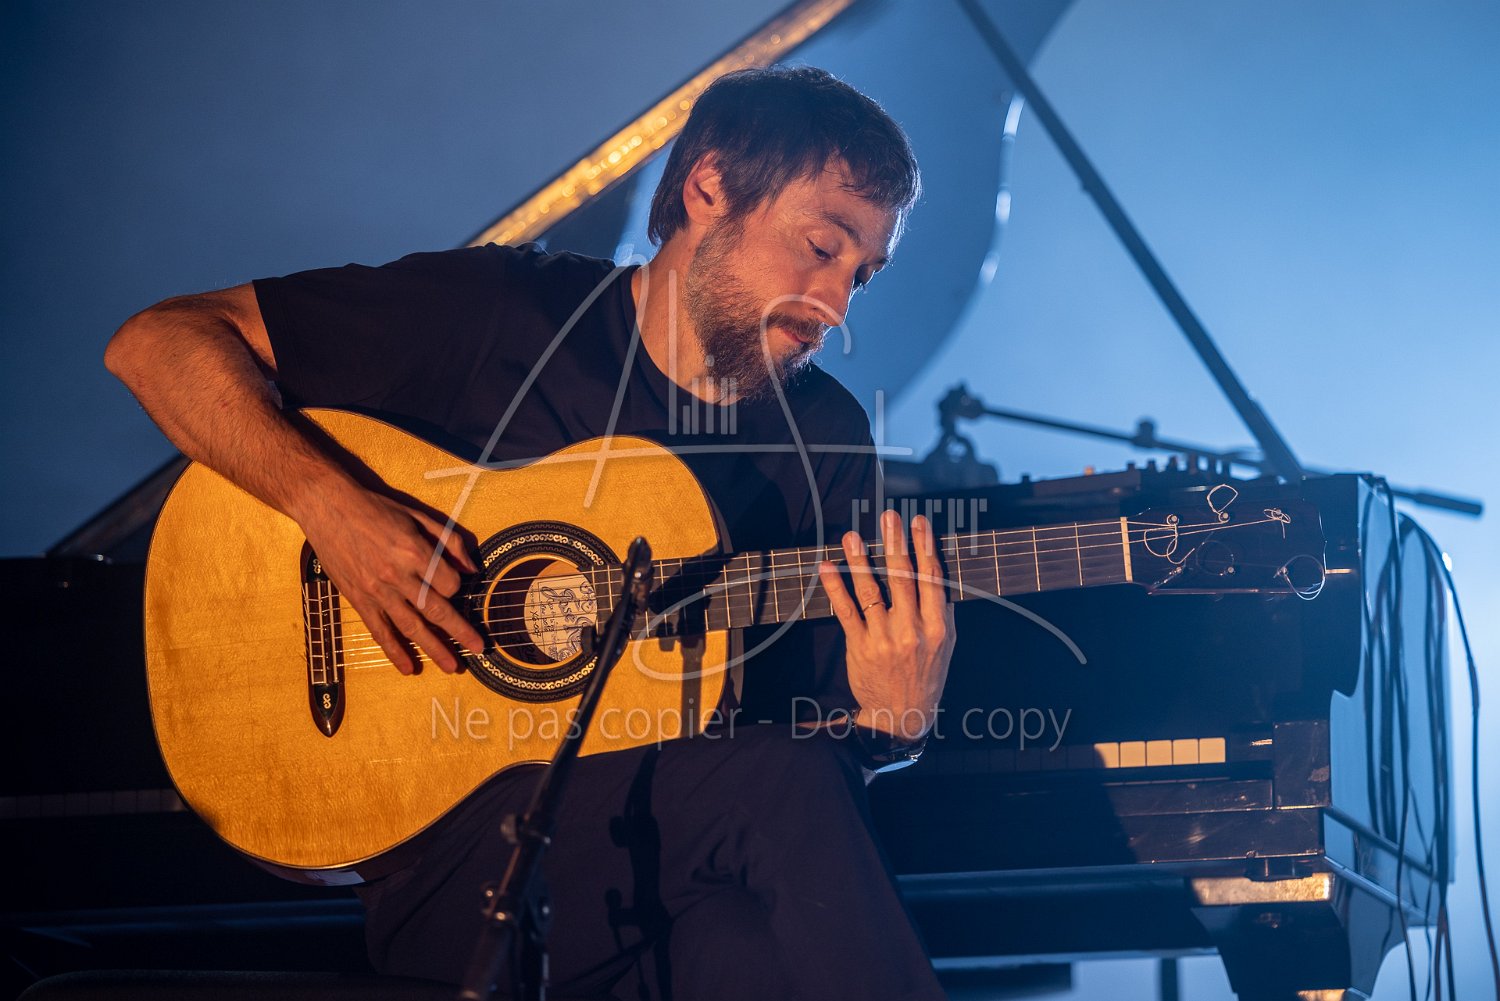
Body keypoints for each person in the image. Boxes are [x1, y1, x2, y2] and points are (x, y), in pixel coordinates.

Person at [107, 66, 956, 999]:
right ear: (709, 187)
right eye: (820, 247)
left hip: (671, 870)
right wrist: (333, 508)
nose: (835, 306)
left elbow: (815, 772)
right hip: (462, 861)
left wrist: (893, 726)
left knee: (759, 951)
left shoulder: (824, 437)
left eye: (860, 275)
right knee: (772, 790)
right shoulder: (504, 312)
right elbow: (156, 344)